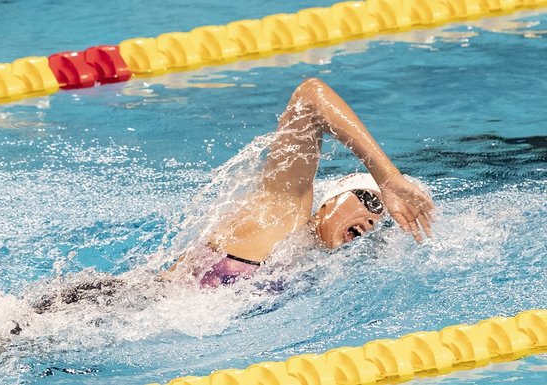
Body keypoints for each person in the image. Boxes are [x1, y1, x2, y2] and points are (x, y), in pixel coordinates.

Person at [165, 77, 435, 288]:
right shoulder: (283, 211)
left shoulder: (307, 262)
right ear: (329, 202)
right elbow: (310, 96)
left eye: (380, 221)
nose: (371, 221)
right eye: (371, 200)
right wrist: (386, 177)